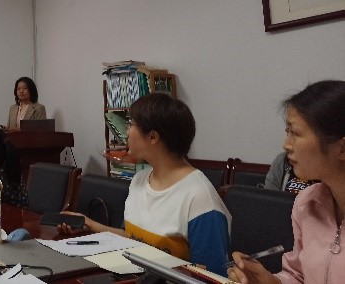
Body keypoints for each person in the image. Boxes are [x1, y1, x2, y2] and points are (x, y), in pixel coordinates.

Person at [58, 93, 231, 276]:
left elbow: (210, 276)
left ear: (153, 137)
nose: (126, 132)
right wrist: (88, 223)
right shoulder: (139, 180)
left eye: (131, 124)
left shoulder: (200, 198)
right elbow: (131, 239)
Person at [228, 80, 345, 284]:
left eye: (295, 133)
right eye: (287, 132)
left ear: (341, 148)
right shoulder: (307, 203)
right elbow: (298, 275)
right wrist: (269, 282)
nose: (286, 145)